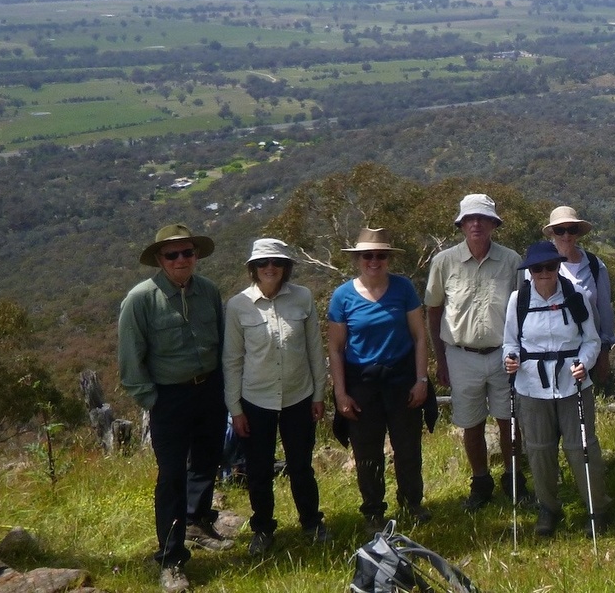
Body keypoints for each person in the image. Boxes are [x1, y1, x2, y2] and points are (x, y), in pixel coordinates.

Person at [119, 224, 233, 593]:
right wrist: (151, 401)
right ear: (159, 260)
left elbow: (221, 338)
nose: (182, 260)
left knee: (207, 460)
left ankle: (198, 522)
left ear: (196, 256)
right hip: (169, 397)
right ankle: (171, 560)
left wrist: (224, 388)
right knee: (171, 477)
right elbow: (131, 359)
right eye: (173, 255)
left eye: (188, 253)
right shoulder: (140, 300)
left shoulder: (209, 292)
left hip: (209, 389)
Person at [222, 238, 330, 556]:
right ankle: (263, 529)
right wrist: (235, 409)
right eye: (263, 263)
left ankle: (311, 522)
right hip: (256, 399)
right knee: (258, 469)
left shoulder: (303, 298)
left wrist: (319, 395)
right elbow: (232, 360)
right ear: (253, 268)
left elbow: (314, 349)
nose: (270, 268)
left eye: (277, 262)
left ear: (286, 267)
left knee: (301, 466)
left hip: (299, 395)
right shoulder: (238, 305)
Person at [327, 228, 431, 533]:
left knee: (408, 447)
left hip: (401, 379)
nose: (374, 261)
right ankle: (373, 510)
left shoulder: (403, 288)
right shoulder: (342, 296)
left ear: (388, 258)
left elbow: (420, 337)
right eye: (368, 256)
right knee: (366, 452)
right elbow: (335, 347)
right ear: (358, 259)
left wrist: (421, 380)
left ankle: (411, 501)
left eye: (380, 255)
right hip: (362, 383)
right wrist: (340, 393)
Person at [503, 240, 609, 537]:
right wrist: (509, 360)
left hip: (573, 384)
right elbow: (511, 342)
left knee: (582, 449)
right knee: (539, 451)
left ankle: (596, 509)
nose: (545, 273)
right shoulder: (518, 300)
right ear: (530, 271)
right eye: (538, 268)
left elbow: (591, 339)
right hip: (531, 386)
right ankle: (548, 508)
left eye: (551, 266)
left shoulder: (575, 296)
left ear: (558, 266)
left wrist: (585, 363)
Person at [426, 194, 524, 511]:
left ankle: (514, 480)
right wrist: (440, 359)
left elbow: (524, 309)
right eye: (470, 219)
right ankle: (480, 482)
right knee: (471, 423)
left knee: (509, 420)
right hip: (460, 354)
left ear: (494, 224)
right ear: (462, 224)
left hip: (503, 353)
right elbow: (434, 311)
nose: (476, 224)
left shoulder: (512, 261)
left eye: (483, 219)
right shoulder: (444, 262)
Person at [541, 206, 615, 389]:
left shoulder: (594, 265)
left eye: (571, 229)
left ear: (578, 233)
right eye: (560, 230)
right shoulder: (540, 266)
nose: (566, 236)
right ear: (552, 232)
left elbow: (604, 310)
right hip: (547, 351)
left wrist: (604, 352)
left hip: (586, 352)